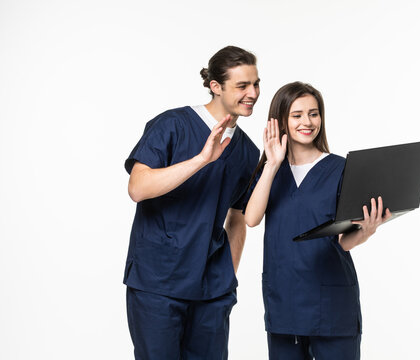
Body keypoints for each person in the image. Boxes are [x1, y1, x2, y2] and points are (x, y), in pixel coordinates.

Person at [124, 46, 260, 359]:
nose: (252, 93)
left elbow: (238, 218)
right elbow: (138, 188)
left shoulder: (247, 152)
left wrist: (228, 274)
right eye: (242, 86)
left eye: (256, 84)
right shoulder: (171, 125)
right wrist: (201, 159)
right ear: (216, 86)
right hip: (158, 282)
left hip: (212, 289)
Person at [244, 81, 391, 359]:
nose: (307, 122)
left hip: (331, 305)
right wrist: (272, 164)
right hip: (284, 303)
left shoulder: (340, 169)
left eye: (314, 113)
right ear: (281, 121)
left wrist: (367, 231)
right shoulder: (271, 172)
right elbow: (251, 218)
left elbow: (343, 241)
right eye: (297, 115)